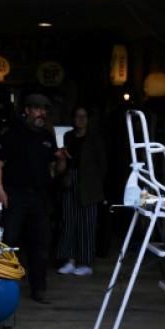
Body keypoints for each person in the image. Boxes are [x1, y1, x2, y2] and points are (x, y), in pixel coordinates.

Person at [0, 93, 66, 304]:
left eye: (44, 110)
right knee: (8, 240)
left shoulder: (47, 138)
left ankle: (39, 289)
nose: (42, 113)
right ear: (27, 110)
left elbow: (56, 170)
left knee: (41, 244)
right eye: (38, 109)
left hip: (40, 197)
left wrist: (61, 160)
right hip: (16, 194)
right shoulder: (12, 135)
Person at [56, 106, 107, 276]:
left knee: (87, 224)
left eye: (84, 116)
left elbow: (102, 164)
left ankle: (85, 263)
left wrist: (95, 182)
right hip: (70, 181)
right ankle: (70, 261)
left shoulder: (94, 138)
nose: (81, 119)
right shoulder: (68, 136)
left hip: (90, 185)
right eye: (78, 116)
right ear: (73, 119)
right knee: (68, 221)